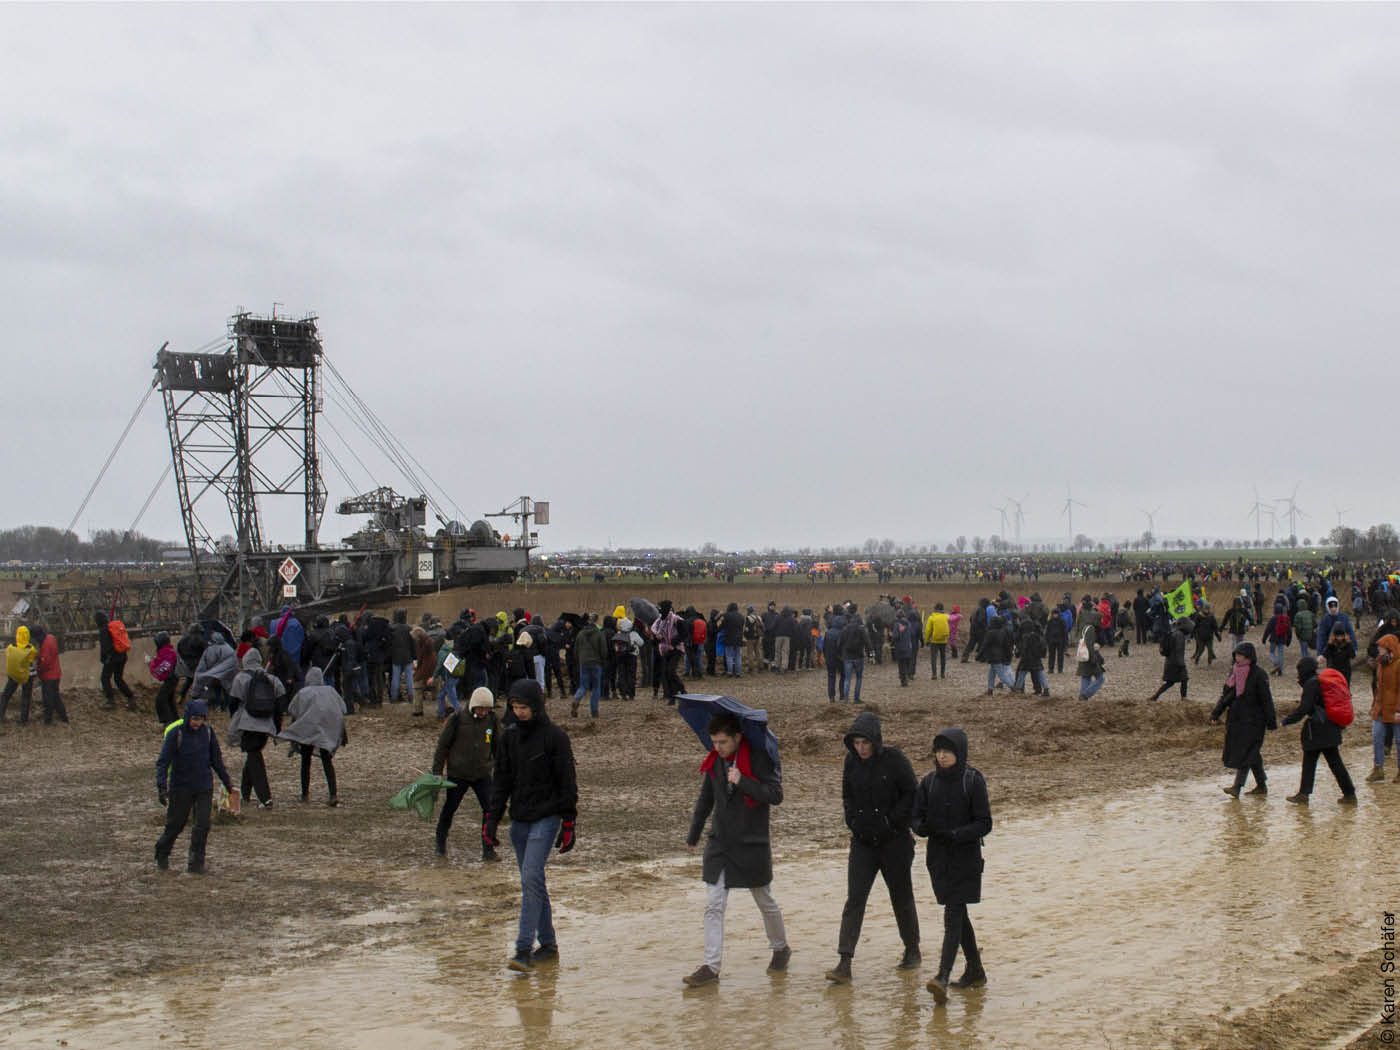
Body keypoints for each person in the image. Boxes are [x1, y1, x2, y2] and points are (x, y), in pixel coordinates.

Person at [682, 710, 790, 986]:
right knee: (713, 905)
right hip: (720, 842)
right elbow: (705, 799)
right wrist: (693, 835)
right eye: (714, 742)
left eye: (722, 743)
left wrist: (743, 780)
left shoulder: (759, 757)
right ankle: (711, 967)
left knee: (764, 899)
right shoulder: (714, 761)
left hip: (752, 841)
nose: (717, 748)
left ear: (737, 738)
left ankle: (780, 947)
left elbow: (775, 795)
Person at [484, 679, 577, 973]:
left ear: (537, 706)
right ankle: (548, 945)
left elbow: (567, 781)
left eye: (523, 707)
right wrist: (491, 820)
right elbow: (500, 783)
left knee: (531, 879)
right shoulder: (508, 738)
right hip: (519, 822)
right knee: (534, 883)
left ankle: (523, 950)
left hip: (546, 819)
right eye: (514, 707)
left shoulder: (556, 738)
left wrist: (569, 821)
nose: (519, 712)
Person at [825, 711, 920, 984]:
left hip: (895, 842)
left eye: (865, 743)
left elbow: (912, 793)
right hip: (862, 843)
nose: (861, 748)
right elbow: (847, 795)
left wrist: (891, 821)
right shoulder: (851, 762)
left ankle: (912, 949)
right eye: (856, 743)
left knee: (901, 897)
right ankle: (845, 960)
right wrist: (852, 821)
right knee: (855, 899)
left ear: (876, 741)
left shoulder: (895, 759)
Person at [912, 728, 991, 1005]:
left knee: (953, 914)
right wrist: (924, 828)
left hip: (966, 859)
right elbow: (916, 817)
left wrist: (957, 834)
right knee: (958, 915)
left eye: (948, 751)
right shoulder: (929, 782)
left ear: (960, 753)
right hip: (938, 859)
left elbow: (985, 823)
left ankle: (942, 976)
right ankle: (976, 971)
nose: (942, 756)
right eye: (938, 751)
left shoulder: (973, 781)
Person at [154, 699, 232, 874]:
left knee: (203, 824)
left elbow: (216, 760)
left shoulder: (209, 733)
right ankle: (162, 852)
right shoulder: (175, 734)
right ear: (188, 716)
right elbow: (163, 762)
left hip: (204, 786)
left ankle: (196, 862)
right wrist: (161, 786)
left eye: (201, 719)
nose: (198, 723)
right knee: (176, 825)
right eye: (195, 719)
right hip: (180, 787)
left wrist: (227, 782)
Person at [432, 685, 500, 859]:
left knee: (490, 811)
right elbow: (442, 746)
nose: (484, 712)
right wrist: (437, 772)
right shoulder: (457, 720)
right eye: (481, 708)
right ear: (473, 705)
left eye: (487, 709)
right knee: (450, 809)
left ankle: (488, 848)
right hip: (458, 774)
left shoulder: (492, 721)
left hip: (482, 774)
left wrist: (503, 770)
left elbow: (499, 747)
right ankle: (440, 842)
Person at [1279, 657, 1356, 805]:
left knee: (1310, 762)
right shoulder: (1319, 681)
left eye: (1299, 670)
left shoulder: (1311, 684)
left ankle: (1304, 794)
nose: (1297, 674)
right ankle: (1349, 794)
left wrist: (1286, 721)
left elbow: (1304, 708)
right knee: (1334, 763)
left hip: (1317, 730)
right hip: (1331, 728)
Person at [1211, 643, 1277, 798]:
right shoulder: (1234, 674)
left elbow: (1266, 699)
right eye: (1236, 655)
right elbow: (1226, 696)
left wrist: (1271, 721)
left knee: (1247, 752)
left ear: (1249, 656)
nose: (1237, 658)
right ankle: (1261, 786)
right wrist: (1216, 713)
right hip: (1237, 719)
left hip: (1255, 721)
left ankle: (1237, 786)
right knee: (1253, 753)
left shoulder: (1259, 674)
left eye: (1241, 655)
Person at [227, 649, 286, 809]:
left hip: (247, 723)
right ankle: (245, 793)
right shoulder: (272, 679)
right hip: (266, 724)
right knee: (253, 754)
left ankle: (265, 798)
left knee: (254, 757)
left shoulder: (241, 678)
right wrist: (277, 725)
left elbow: (232, 702)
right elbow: (281, 703)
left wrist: (235, 718)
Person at [277, 667, 345, 806]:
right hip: (326, 731)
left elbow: (292, 710)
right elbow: (343, 708)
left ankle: (305, 794)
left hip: (308, 730)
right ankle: (333, 794)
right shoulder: (331, 691)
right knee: (327, 761)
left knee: (305, 761)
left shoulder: (303, 693)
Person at [1366, 628, 1400, 784]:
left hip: (1395, 709)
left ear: (1389, 648)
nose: (1378, 650)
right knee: (1376, 736)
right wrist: (1374, 705)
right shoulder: (1381, 664)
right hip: (1381, 707)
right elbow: (1378, 687)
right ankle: (1378, 768)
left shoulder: (1398, 665)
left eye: (1381, 648)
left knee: (1399, 741)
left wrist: (1399, 710)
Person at [94, 611, 136, 710]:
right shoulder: (112, 627)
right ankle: (130, 698)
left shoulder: (104, 629)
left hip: (112, 657)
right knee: (118, 678)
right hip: (122, 655)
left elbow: (105, 647)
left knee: (105, 678)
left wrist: (104, 659)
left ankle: (110, 701)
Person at [30, 625, 67, 725]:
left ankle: (48, 719)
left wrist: (38, 670)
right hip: (56, 673)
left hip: (48, 676)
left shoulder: (45, 645)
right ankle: (63, 717)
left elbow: (45, 663)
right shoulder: (51, 638)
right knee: (55, 697)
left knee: (48, 699)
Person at [571, 613, 606, 718]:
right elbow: (604, 650)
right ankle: (594, 711)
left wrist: (579, 660)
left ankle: (576, 699)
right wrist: (602, 660)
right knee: (596, 687)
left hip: (584, 663)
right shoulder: (599, 633)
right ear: (596, 621)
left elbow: (575, 650)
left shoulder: (580, 634)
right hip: (596, 663)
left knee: (583, 686)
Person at [1148, 618, 1192, 701]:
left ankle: (1155, 696)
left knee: (1172, 682)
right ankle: (1183, 697)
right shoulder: (1180, 635)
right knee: (1182, 679)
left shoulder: (1173, 632)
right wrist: (1181, 664)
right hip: (1177, 662)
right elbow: (1178, 650)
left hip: (1170, 662)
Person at [1, 626, 37, 724]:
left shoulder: (11, 647)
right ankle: (23, 720)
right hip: (28, 675)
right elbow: (31, 659)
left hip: (14, 675)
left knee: (5, 695)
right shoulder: (31, 649)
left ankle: (1, 716)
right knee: (25, 697)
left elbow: (8, 655)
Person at [148, 632, 179, 725]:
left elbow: (163, 668)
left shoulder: (168, 652)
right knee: (169, 701)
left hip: (171, 679)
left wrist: (150, 663)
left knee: (160, 700)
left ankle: (167, 721)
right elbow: (161, 663)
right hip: (171, 679)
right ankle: (176, 721)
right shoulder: (166, 651)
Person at [1076, 624, 1106, 700]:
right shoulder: (1092, 629)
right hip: (1090, 658)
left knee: (1086, 676)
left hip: (1084, 657)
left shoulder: (1085, 627)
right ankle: (1085, 695)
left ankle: (1083, 697)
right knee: (1100, 678)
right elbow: (1090, 646)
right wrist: (1095, 658)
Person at [924, 603, 950, 680]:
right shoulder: (945, 617)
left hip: (934, 640)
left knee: (933, 658)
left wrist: (926, 640)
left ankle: (934, 674)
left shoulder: (932, 618)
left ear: (935, 609)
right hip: (944, 640)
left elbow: (928, 630)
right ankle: (942, 674)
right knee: (943, 657)